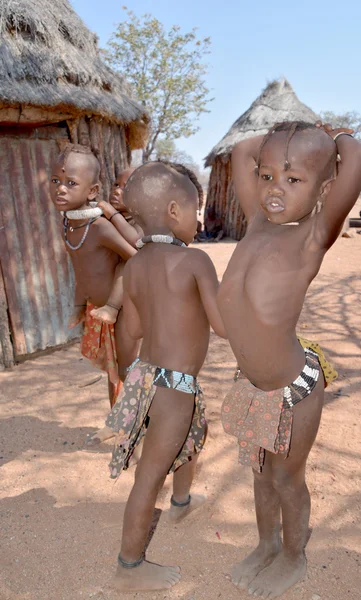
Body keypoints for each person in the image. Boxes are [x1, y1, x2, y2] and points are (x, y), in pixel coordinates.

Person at [218, 121, 361, 598]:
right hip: (252, 385)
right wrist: (282, 141)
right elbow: (244, 148)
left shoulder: (312, 237)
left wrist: (337, 136)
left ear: (323, 188)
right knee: (260, 473)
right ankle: (266, 545)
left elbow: (358, 160)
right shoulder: (258, 222)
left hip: (292, 390)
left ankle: (292, 555)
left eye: (293, 179)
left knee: (286, 478)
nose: (275, 190)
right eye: (267, 178)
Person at [104, 161, 226, 593]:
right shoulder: (195, 261)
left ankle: (182, 501)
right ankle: (129, 566)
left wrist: (123, 377)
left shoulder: (135, 267)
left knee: (194, 436)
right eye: (196, 211)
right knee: (150, 474)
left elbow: (131, 331)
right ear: (175, 211)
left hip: (147, 378)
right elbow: (224, 325)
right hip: (176, 386)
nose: (198, 220)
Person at [50, 144, 139, 442]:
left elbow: (136, 257)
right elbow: (81, 270)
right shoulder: (70, 225)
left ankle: (137, 429)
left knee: (126, 371)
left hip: (126, 310)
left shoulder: (100, 226)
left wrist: (114, 304)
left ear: (92, 191)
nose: (60, 189)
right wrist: (79, 306)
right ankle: (118, 423)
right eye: (55, 181)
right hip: (97, 309)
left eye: (70, 183)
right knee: (113, 373)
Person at [89, 167, 144, 325]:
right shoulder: (102, 218)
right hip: (101, 293)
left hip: (129, 294)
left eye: (125, 187)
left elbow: (136, 242)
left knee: (124, 265)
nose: (117, 191)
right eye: (116, 185)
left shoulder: (140, 220)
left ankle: (111, 308)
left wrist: (112, 213)